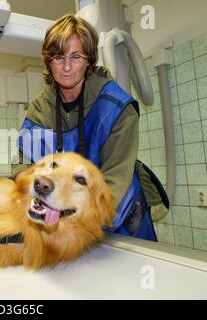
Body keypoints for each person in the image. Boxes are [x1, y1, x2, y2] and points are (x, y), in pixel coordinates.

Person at [12, 14, 168, 241]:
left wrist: (69, 216)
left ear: (89, 60)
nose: (66, 67)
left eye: (75, 57)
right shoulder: (40, 110)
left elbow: (114, 182)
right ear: (48, 61)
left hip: (119, 221)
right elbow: (22, 166)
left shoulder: (117, 107)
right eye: (58, 57)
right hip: (59, 223)